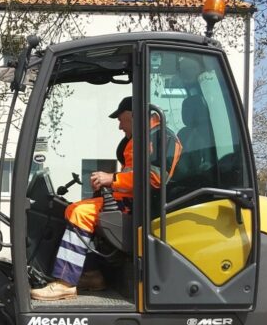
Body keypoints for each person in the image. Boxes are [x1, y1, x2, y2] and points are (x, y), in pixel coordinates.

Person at [31, 95, 181, 301]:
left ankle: (65, 283)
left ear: (134, 116)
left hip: (144, 207)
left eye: (121, 120)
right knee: (71, 208)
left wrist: (112, 179)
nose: (119, 126)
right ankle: (91, 273)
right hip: (130, 200)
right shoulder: (144, 137)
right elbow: (133, 174)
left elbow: (155, 178)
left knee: (81, 213)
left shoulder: (160, 137)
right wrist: (109, 182)